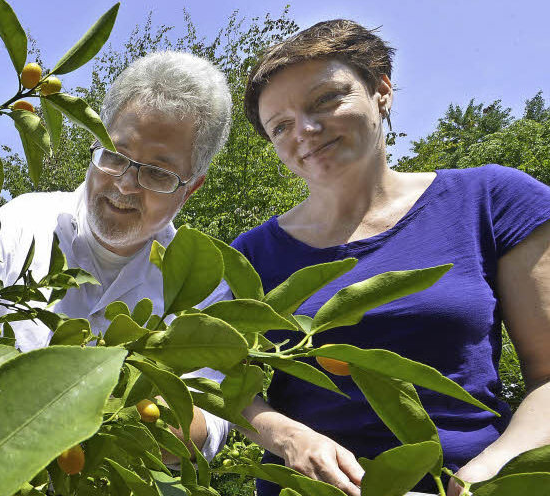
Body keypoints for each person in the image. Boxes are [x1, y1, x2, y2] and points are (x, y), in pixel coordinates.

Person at [233, 19, 550, 496]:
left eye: (325, 99)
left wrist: (484, 476)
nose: (307, 130)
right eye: (281, 126)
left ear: (382, 89)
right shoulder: (250, 254)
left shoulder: (491, 201)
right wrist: (286, 436)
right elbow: (226, 383)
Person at [0, 51, 233, 461]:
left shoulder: (202, 285)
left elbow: (209, 424)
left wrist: (101, 402)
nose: (125, 184)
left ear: (190, 188)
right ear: (95, 142)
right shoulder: (23, 219)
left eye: (158, 173)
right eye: (116, 155)